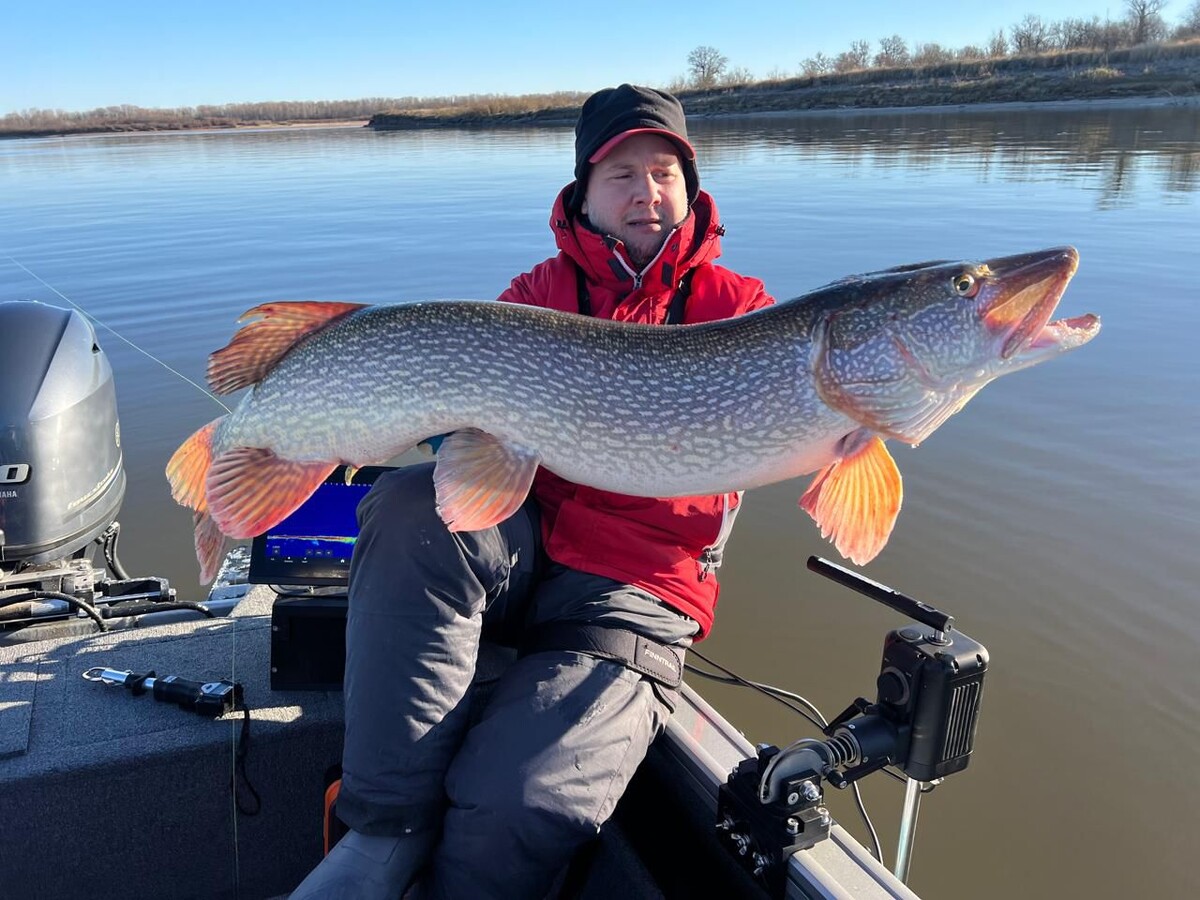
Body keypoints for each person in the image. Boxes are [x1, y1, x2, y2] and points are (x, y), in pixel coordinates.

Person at [290, 83, 775, 900]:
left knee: (516, 805)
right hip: (524, 548)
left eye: (664, 172)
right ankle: (380, 836)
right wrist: (427, 427)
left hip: (637, 585)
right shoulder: (533, 297)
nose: (646, 192)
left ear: (691, 188)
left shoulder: (742, 311)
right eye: (621, 174)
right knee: (407, 504)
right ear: (584, 193)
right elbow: (478, 453)